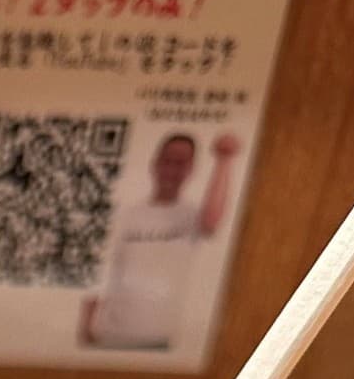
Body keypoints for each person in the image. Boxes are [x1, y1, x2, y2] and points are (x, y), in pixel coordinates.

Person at [82, 131, 241, 352]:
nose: (172, 169)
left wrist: (224, 161)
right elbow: (100, 273)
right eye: (167, 160)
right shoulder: (126, 215)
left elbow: (212, 219)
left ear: (190, 170)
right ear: (155, 163)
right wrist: (86, 330)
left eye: (181, 163)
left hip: (158, 340)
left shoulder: (192, 216)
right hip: (108, 336)